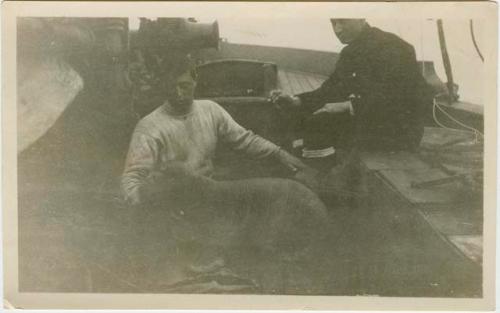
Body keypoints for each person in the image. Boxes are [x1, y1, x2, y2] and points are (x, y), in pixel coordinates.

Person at [121, 55, 310, 206]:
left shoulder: (210, 109)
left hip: (210, 194)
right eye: (172, 87)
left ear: (195, 82)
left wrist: (280, 153)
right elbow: (130, 182)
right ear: (164, 86)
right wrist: (163, 194)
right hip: (175, 204)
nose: (178, 93)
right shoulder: (149, 127)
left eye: (184, 86)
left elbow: (245, 140)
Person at [272, 19, 429, 152]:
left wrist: (348, 106)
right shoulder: (350, 51)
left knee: (317, 124)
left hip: (397, 132)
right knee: (291, 116)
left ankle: (318, 174)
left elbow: (403, 100)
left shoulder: (394, 47)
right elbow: (330, 90)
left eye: (343, 22)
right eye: (333, 23)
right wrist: (296, 101)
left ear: (361, 18)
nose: (337, 29)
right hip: (369, 121)